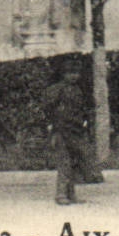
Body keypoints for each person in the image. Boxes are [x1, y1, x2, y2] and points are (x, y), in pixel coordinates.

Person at [46, 74, 93, 205]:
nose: (74, 76)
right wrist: (53, 125)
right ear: (64, 74)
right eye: (70, 73)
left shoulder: (77, 90)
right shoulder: (57, 90)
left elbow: (82, 110)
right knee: (64, 161)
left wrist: (83, 122)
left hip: (75, 130)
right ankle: (60, 194)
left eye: (76, 73)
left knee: (73, 162)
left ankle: (71, 194)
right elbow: (49, 109)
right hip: (61, 130)